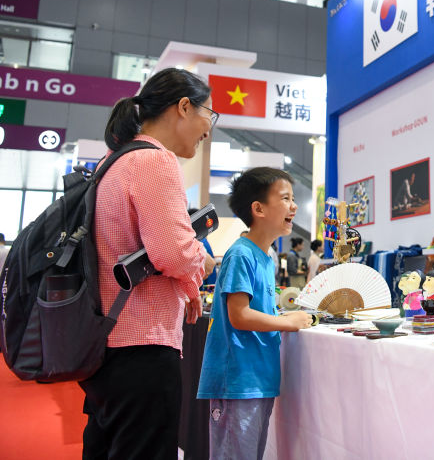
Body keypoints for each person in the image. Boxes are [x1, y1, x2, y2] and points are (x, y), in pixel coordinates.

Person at [80, 68, 217, 459]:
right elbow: (173, 253)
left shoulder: (114, 160)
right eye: (209, 114)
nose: (208, 129)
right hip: (142, 343)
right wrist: (202, 262)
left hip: (106, 341)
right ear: (184, 107)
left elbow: (146, 249)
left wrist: (187, 285)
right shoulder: (155, 161)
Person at [197, 167, 313, 459]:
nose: (294, 206)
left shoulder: (264, 257)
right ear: (258, 209)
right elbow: (240, 315)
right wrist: (288, 322)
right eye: (285, 198)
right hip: (238, 380)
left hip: (257, 379)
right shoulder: (241, 254)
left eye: (293, 199)